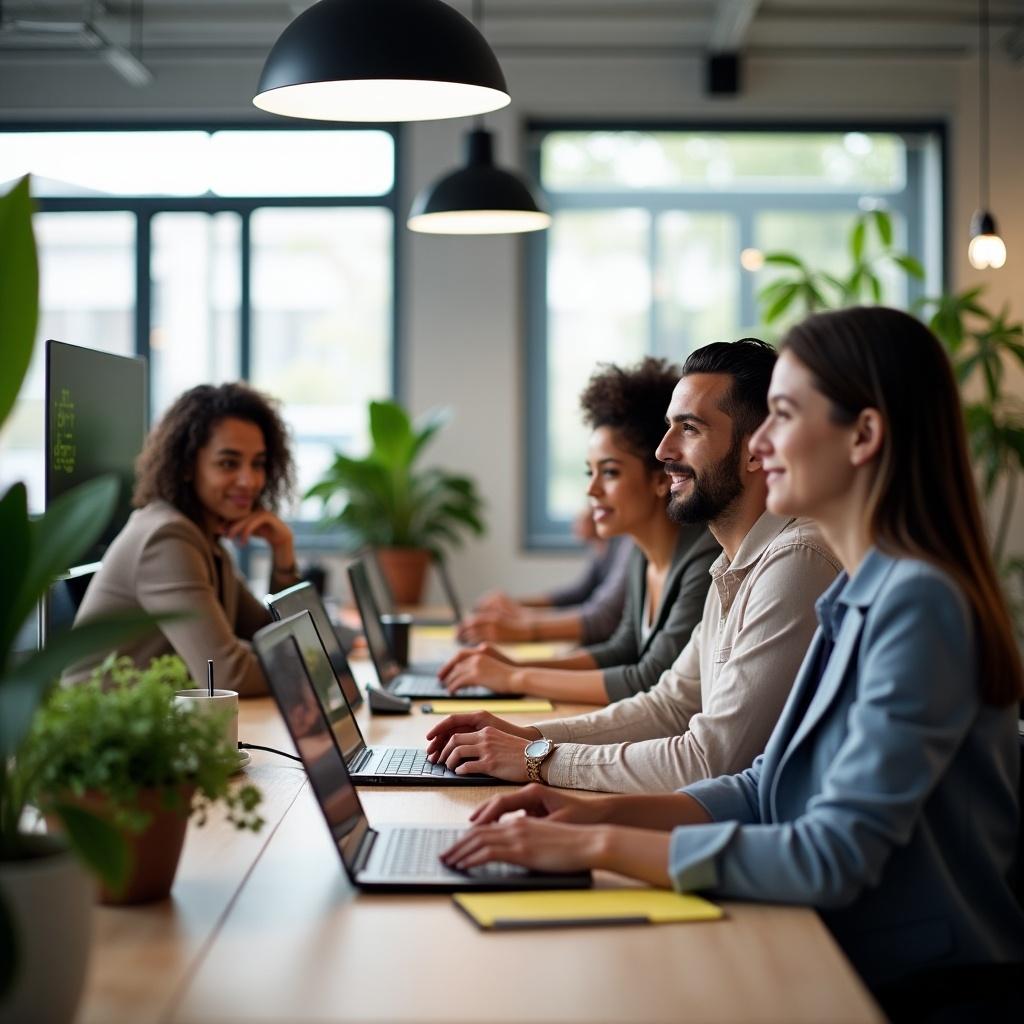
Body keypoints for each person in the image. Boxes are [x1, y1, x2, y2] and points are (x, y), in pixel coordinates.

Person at [440, 307, 1024, 990]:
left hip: (919, 981)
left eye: (782, 415)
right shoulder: (859, 593)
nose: (760, 444)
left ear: (864, 435)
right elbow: (763, 783)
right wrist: (587, 808)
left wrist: (594, 839)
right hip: (845, 948)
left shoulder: (914, 604)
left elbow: (829, 853)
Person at [426, 339, 840, 790]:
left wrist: (535, 758)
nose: (663, 451)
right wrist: (526, 736)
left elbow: (709, 759)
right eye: (669, 427)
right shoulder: (733, 564)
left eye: (690, 429)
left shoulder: (796, 561)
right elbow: (668, 706)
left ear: (757, 450)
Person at [441, 357, 721, 705]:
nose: (592, 491)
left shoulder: (704, 558)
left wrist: (516, 676)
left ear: (658, 478)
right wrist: (511, 665)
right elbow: (622, 649)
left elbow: (648, 679)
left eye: (610, 473)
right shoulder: (640, 556)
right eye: (590, 473)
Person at [72, 382, 300, 696]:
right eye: (228, 463)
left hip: (157, 728)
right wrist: (308, 664)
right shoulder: (167, 538)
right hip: (103, 733)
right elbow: (228, 676)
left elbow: (272, 633)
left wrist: (282, 552)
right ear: (188, 467)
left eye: (258, 464)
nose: (249, 480)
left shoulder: (203, 537)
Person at [457, 508, 632, 646]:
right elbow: (577, 594)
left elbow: (601, 617)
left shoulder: (627, 543)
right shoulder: (605, 546)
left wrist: (520, 623)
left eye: (611, 472)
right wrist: (515, 606)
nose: (591, 491)